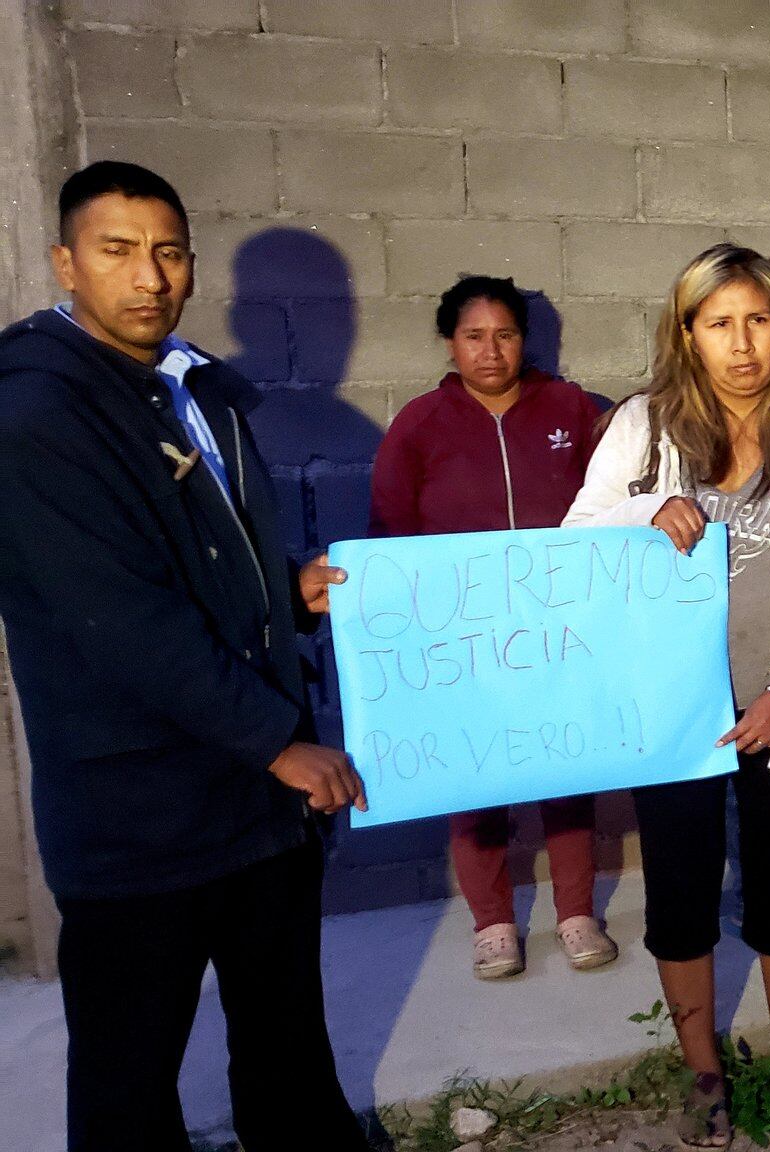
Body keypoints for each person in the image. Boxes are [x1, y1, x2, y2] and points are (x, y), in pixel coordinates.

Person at [0, 161, 368, 1150]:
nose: (148, 276)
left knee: (287, 1044)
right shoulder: (39, 415)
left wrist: (283, 589)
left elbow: (201, 553)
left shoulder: (184, 384)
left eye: (166, 251)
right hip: (140, 819)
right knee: (129, 1079)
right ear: (66, 264)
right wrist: (279, 742)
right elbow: (118, 618)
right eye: (118, 251)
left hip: (251, 811)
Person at [564, 244, 770, 1144]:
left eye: (760, 321)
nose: (743, 346)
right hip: (674, 708)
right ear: (687, 331)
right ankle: (702, 1071)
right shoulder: (643, 424)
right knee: (683, 890)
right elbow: (579, 529)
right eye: (720, 324)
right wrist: (642, 512)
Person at [368, 274, 614, 980]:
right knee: (474, 774)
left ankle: (575, 912)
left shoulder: (569, 409)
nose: (490, 351)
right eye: (474, 337)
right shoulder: (419, 424)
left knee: (566, 768)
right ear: (451, 343)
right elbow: (388, 530)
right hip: (462, 640)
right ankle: (494, 922)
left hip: (555, 630)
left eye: (504, 335)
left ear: (524, 340)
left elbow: (614, 503)